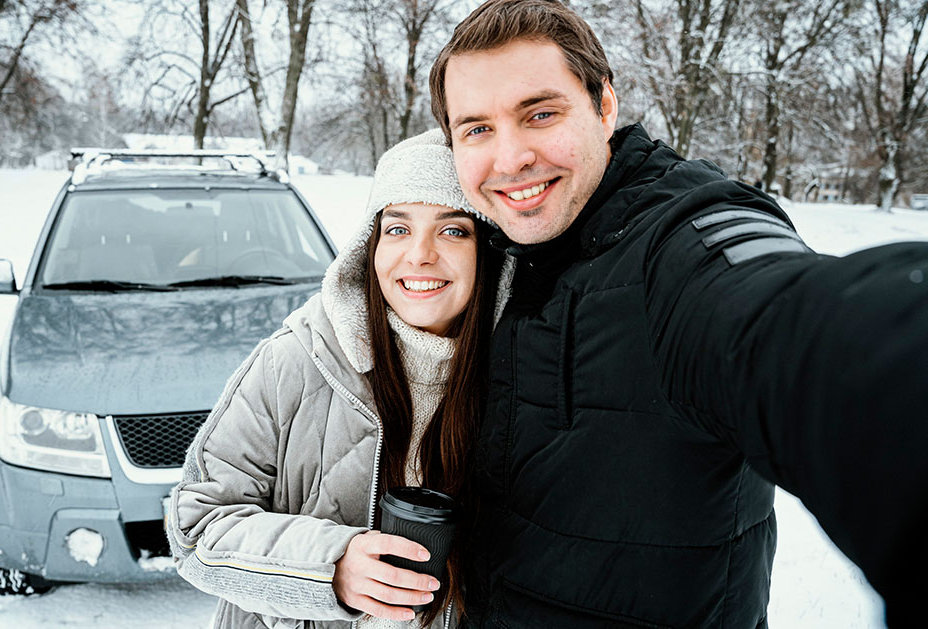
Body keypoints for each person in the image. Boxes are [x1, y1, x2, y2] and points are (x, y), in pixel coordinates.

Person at [427, 0, 928, 627]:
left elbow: (794, 327)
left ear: (604, 106)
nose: (510, 158)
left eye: (541, 113)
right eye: (477, 129)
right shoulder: (490, 257)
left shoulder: (681, 242)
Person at [166, 129, 512, 629]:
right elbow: (196, 527)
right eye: (397, 228)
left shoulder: (523, 380)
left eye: (452, 230)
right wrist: (330, 570)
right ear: (368, 246)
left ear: (488, 252)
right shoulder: (296, 360)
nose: (418, 254)